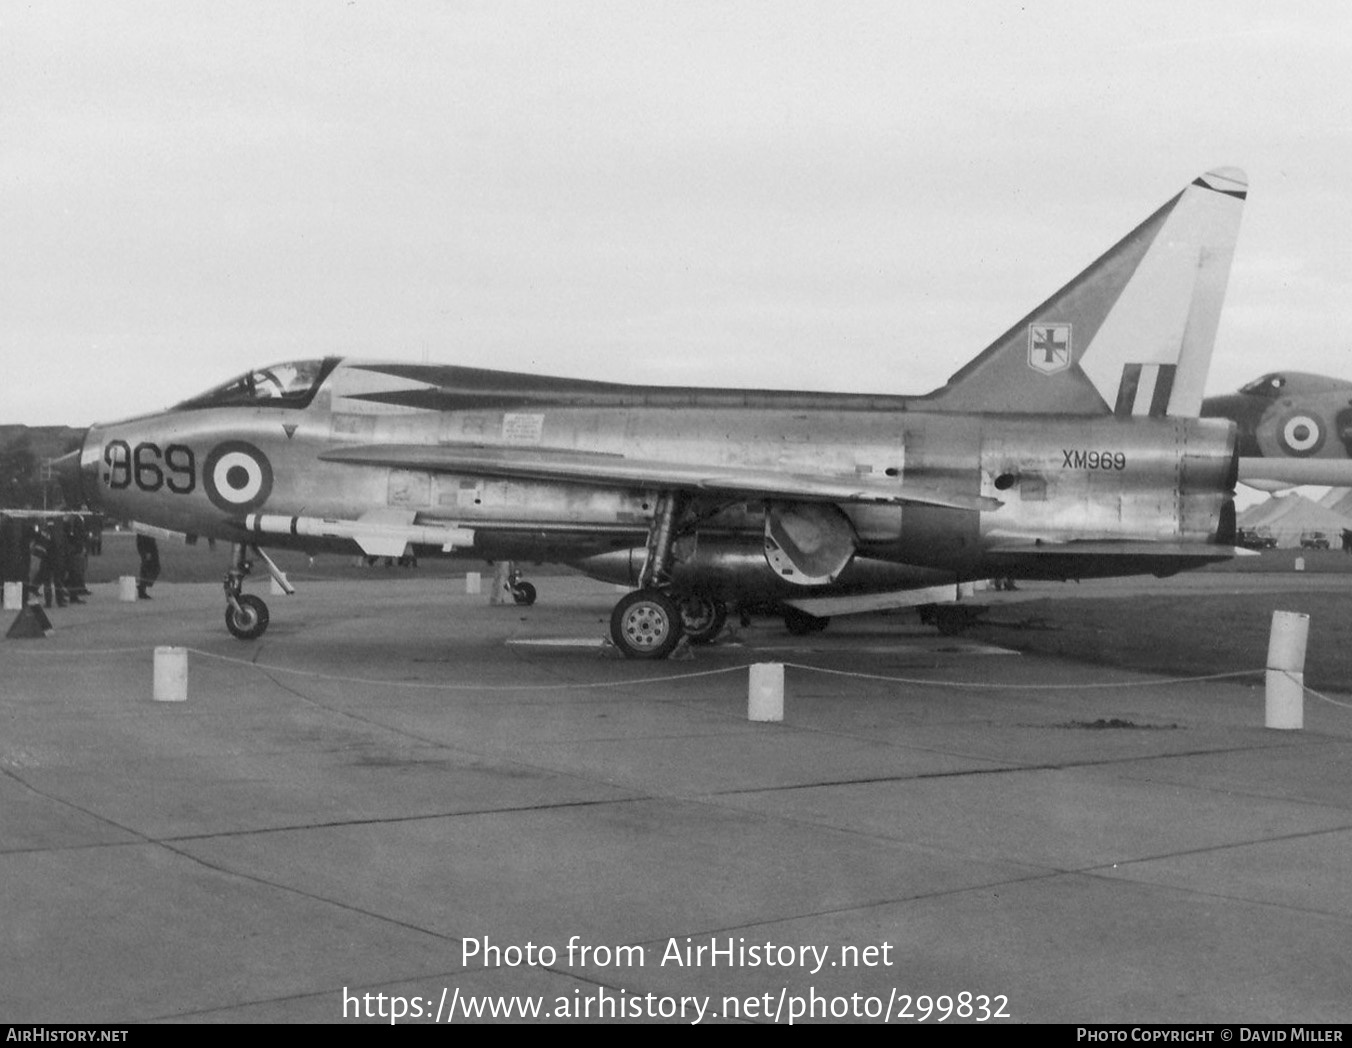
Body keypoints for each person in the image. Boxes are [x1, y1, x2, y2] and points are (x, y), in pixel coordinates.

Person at [136, 533, 160, 599]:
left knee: (147, 567)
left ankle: (142, 588)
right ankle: (142, 587)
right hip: (147, 547)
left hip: (150, 546)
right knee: (152, 567)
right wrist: (146, 552)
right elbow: (142, 540)